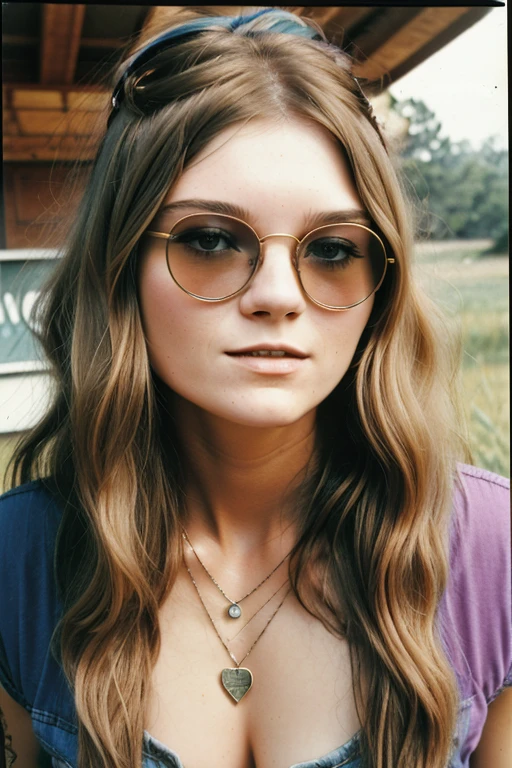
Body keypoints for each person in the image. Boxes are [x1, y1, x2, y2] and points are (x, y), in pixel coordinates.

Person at [0, 7, 510, 768]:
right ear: (120, 267)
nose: (279, 294)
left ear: (381, 284)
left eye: (333, 248)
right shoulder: (19, 560)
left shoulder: (488, 554)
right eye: (210, 239)